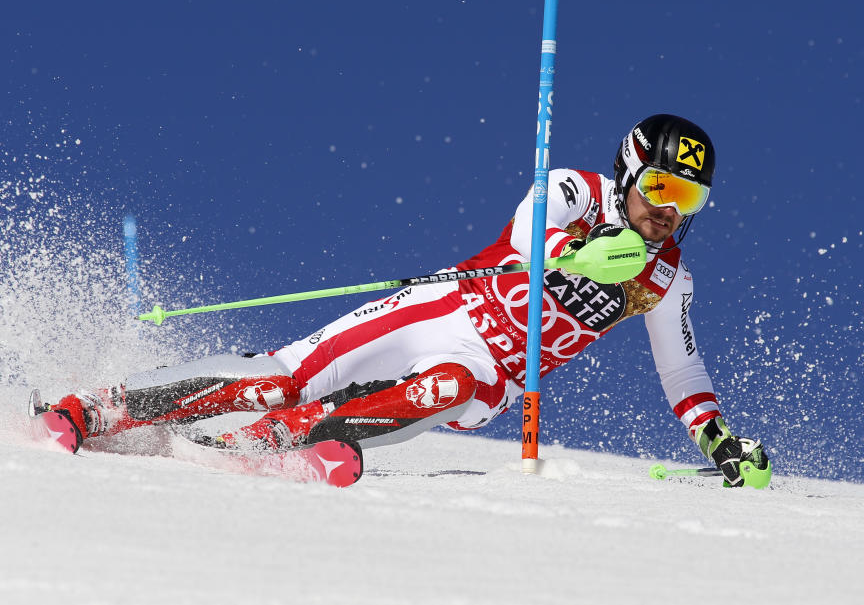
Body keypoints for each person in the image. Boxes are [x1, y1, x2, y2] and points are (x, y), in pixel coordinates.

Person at [36, 114, 770, 487]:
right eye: (662, 188)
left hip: (492, 371)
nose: (671, 210)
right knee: (281, 375)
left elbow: (682, 374)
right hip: (448, 306)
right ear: (631, 171)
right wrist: (576, 251)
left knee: (451, 387)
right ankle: (95, 408)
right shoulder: (579, 191)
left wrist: (718, 442)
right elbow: (523, 230)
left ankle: (274, 440)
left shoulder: (666, 278)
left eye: (690, 198)